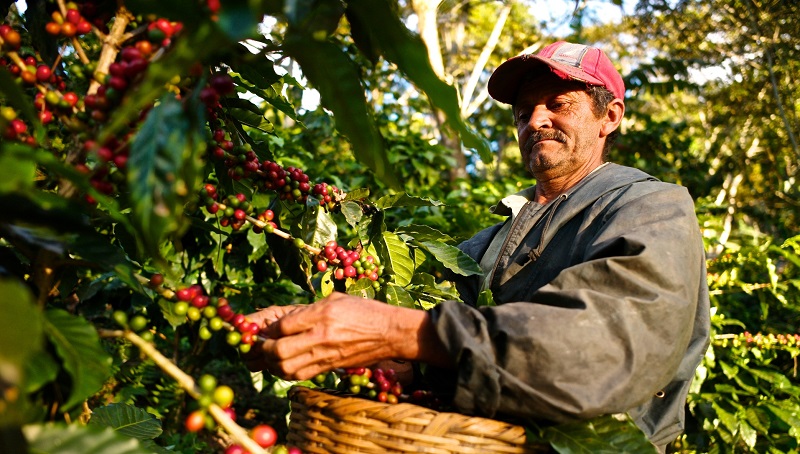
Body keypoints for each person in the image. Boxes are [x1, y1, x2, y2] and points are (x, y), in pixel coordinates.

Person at [244, 41, 711, 452]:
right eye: (524, 112)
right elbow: (446, 346)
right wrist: (323, 333)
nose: (536, 120)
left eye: (558, 104)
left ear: (609, 117)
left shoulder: (651, 206)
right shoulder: (490, 240)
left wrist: (398, 331)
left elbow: (608, 347)